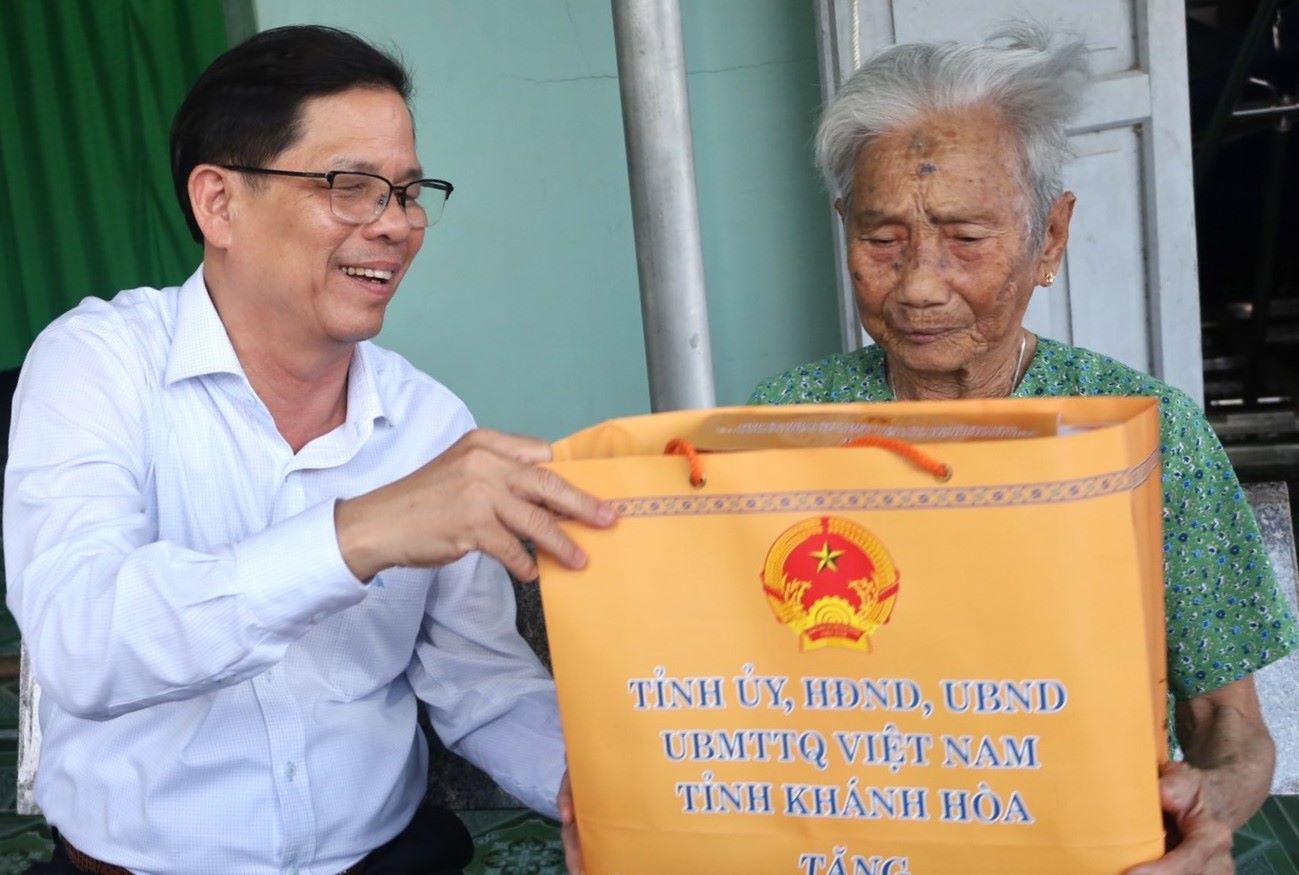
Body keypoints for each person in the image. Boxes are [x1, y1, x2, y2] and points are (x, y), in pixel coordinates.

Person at [4, 25, 606, 875]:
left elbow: (479, 684)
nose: (395, 225)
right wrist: (355, 535)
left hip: (383, 860)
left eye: (406, 191)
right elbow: (83, 641)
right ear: (218, 203)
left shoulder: (428, 421)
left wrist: (592, 787)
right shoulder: (97, 362)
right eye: (351, 187)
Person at [750, 25, 1298, 875]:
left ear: (1049, 236)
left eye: (965, 238)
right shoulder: (779, 427)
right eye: (881, 239)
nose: (922, 281)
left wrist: (1206, 809)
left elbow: (1231, 728)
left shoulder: (1143, 429)